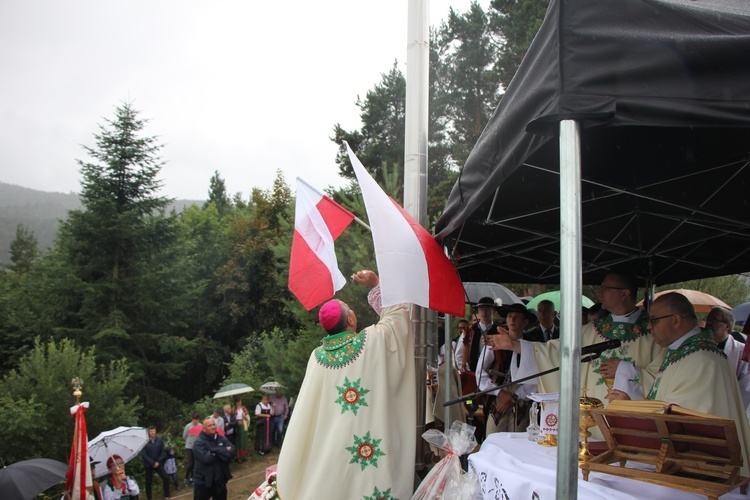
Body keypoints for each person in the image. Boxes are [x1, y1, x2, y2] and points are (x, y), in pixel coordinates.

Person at [277, 269, 416, 500]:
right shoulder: (371, 341)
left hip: (332, 446)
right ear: (351, 320)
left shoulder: (317, 357)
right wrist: (376, 284)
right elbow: (399, 317)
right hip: (369, 447)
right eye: (350, 309)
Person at [493, 271, 666, 438]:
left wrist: (625, 369)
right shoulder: (592, 330)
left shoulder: (654, 332)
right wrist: (516, 345)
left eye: (606, 288)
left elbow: (663, 377)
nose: (600, 292)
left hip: (633, 426)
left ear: (624, 294)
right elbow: (557, 352)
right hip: (589, 427)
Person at [610, 292, 750, 475]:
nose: (649, 326)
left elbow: (678, 418)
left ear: (675, 320)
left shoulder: (703, 360)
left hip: (702, 472)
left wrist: (627, 406)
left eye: (654, 320)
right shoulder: (683, 352)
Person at [479, 303, 540, 435]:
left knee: (518, 438)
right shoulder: (495, 341)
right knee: (493, 436)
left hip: (522, 400)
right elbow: (480, 373)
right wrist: (500, 393)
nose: (512, 320)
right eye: (509, 316)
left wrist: (515, 396)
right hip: (497, 397)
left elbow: (538, 378)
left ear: (525, 322)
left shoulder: (533, 346)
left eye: (517, 317)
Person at [705, 307, 750, 418]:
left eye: (714, 320)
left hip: (728, 410)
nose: (709, 323)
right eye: (708, 319)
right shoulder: (699, 347)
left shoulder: (741, 352)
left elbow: (745, 388)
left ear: (727, 326)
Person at [193, 417, 235, 500]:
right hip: (203, 481)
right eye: (209, 426)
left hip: (219, 480)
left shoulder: (222, 438)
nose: (212, 427)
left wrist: (214, 452)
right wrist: (223, 450)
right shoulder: (198, 442)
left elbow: (232, 451)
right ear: (204, 429)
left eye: (213, 424)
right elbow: (206, 458)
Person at [141, 425, 170, 500]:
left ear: (155, 431)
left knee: (166, 477)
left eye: (153, 431)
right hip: (149, 464)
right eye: (151, 431)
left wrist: (157, 462)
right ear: (148, 432)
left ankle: (167, 495)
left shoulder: (159, 440)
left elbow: (162, 452)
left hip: (158, 463)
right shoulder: (145, 441)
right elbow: (144, 455)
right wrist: (152, 463)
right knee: (148, 482)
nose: (152, 433)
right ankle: (149, 498)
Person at [182, 412, 201, 487]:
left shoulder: (200, 426)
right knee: (190, 463)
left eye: (197, 419)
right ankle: (186, 478)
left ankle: (193, 477)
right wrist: (189, 441)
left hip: (196, 446)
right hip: (189, 446)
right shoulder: (188, 426)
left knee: (195, 462)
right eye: (194, 419)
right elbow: (184, 436)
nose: (195, 421)